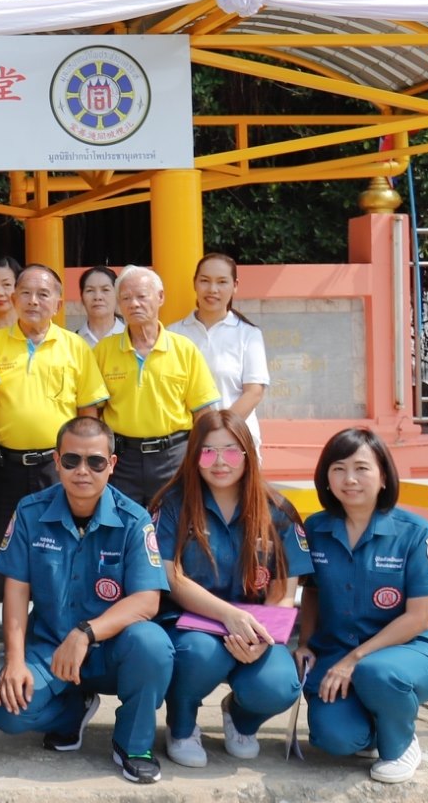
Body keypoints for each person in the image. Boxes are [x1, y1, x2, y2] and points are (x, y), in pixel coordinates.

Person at [0, 416, 173, 785]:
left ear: (112, 464)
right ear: (57, 461)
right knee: (6, 710)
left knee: (153, 644)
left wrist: (86, 633)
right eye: (72, 460)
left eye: (96, 462)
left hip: (112, 649)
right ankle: (72, 711)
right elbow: (16, 591)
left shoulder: (134, 519)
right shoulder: (30, 512)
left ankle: (133, 744)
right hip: (52, 647)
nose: (82, 471)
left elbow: (147, 601)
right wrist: (14, 661)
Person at [297, 428, 428, 784]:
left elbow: (421, 618)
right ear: (326, 478)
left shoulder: (417, 533)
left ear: (383, 476)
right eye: (338, 469)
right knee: (336, 738)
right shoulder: (315, 528)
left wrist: (355, 659)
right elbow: (312, 591)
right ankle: (379, 720)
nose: (350, 479)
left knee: (377, 672)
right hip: (338, 652)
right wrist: (306, 643)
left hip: (411, 651)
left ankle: (400, 743)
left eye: (362, 468)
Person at [152, 409, 310, 768]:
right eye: (208, 451)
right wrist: (229, 616)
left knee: (279, 685)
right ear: (194, 456)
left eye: (231, 451)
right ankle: (182, 725)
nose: (220, 462)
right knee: (201, 654)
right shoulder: (172, 504)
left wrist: (263, 638)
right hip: (189, 625)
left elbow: (284, 593)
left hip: (256, 629)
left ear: (248, 454)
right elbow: (172, 577)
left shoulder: (278, 510)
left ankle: (241, 718)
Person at [0, 264, 107, 592]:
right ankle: (0, 613)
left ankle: (61, 608)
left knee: (59, 541)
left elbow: (88, 412)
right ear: (14, 299)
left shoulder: (75, 347)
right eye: (25, 293)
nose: (33, 301)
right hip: (1, 465)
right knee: (1, 543)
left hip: (57, 466)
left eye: (43, 294)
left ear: (58, 304)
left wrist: (86, 463)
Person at [94, 266, 220, 506]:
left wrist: (206, 458)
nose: (134, 304)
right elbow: (93, 411)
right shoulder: (103, 351)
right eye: (126, 298)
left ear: (160, 297)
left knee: (174, 522)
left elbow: (203, 413)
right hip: (122, 459)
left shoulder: (184, 349)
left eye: (142, 296)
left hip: (174, 457)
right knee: (122, 523)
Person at [168, 253, 271, 448]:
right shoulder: (172, 334)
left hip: (235, 440)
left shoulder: (248, 334)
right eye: (205, 281)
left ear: (235, 285)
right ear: (194, 283)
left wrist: (219, 433)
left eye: (222, 282)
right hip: (184, 444)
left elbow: (253, 392)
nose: (212, 289)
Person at [77, 266, 124, 347]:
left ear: (117, 295)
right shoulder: (71, 342)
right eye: (90, 290)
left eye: (105, 290)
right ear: (82, 297)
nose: (98, 297)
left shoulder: (131, 338)